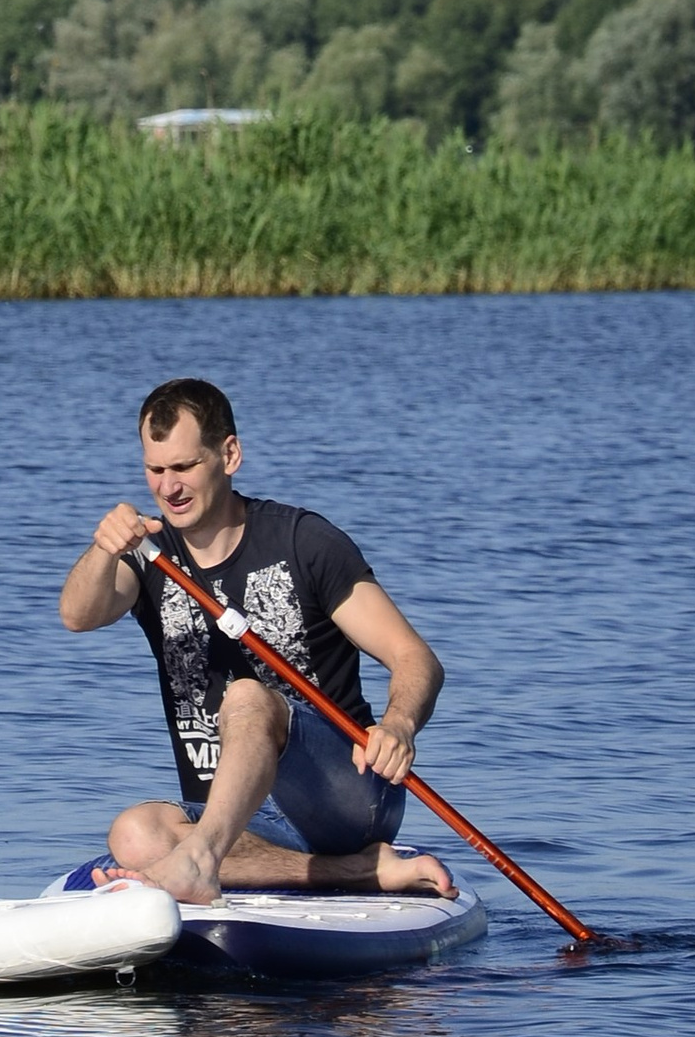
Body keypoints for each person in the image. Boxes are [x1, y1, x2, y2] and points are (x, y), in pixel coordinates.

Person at [57, 375, 454, 905]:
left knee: (245, 696)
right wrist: (104, 551)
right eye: (155, 471)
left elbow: (414, 658)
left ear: (229, 454)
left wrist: (399, 725)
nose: (168, 488)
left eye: (184, 467)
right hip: (237, 819)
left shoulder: (304, 542)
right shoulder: (148, 553)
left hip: (344, 798)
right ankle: (357, 873)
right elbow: (77, 616)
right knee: (134, 833)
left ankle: (200, 862)